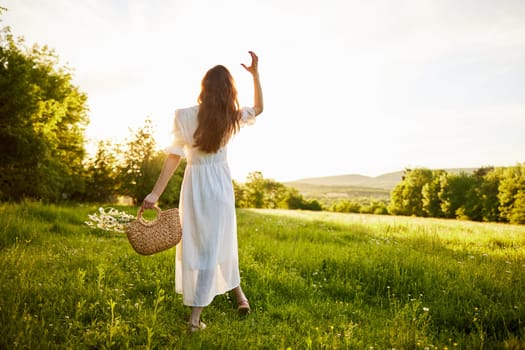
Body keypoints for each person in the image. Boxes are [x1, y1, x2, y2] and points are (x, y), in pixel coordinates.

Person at [141, 51, 263, 332]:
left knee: (207, 245)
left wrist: (155, 193)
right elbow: (259, 108)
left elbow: (174, 157)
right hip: (219, 185)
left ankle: (196, 317)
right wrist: (256, 76)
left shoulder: (183, 115)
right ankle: (235, 300)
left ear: (203, 88)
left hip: (195, 186)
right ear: (229, 91)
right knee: (215, 244)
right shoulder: (231, 116)